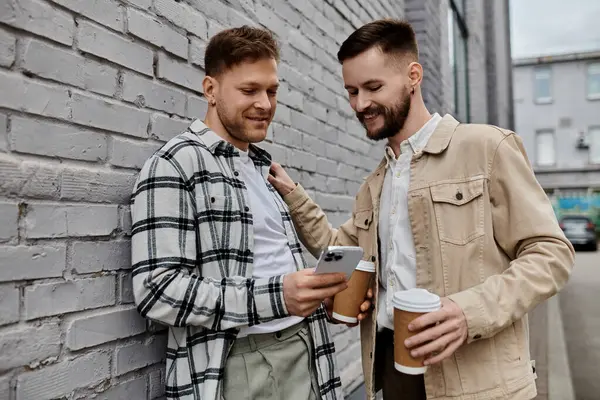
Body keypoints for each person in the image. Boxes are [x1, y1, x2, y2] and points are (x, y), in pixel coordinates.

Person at [268, 19, 575, 400]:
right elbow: (339, 249)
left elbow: (551, 254)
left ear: (413, 76)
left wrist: (468, 311)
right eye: (351, 91)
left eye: (373, 87)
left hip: (480, 384)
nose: (360, 104)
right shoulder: (374, 185)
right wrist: (293, 195)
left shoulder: (486, 148)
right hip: (395, 375)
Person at [130, 26, 357, 400]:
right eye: (249, 91)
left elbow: (270, 268)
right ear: (210, 89)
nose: (265, 104)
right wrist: (278, 297)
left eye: (272, 91)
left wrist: (317, 297)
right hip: (237, 362)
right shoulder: (175, 165)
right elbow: (158, 289)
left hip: (307, 345)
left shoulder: (264, 169)